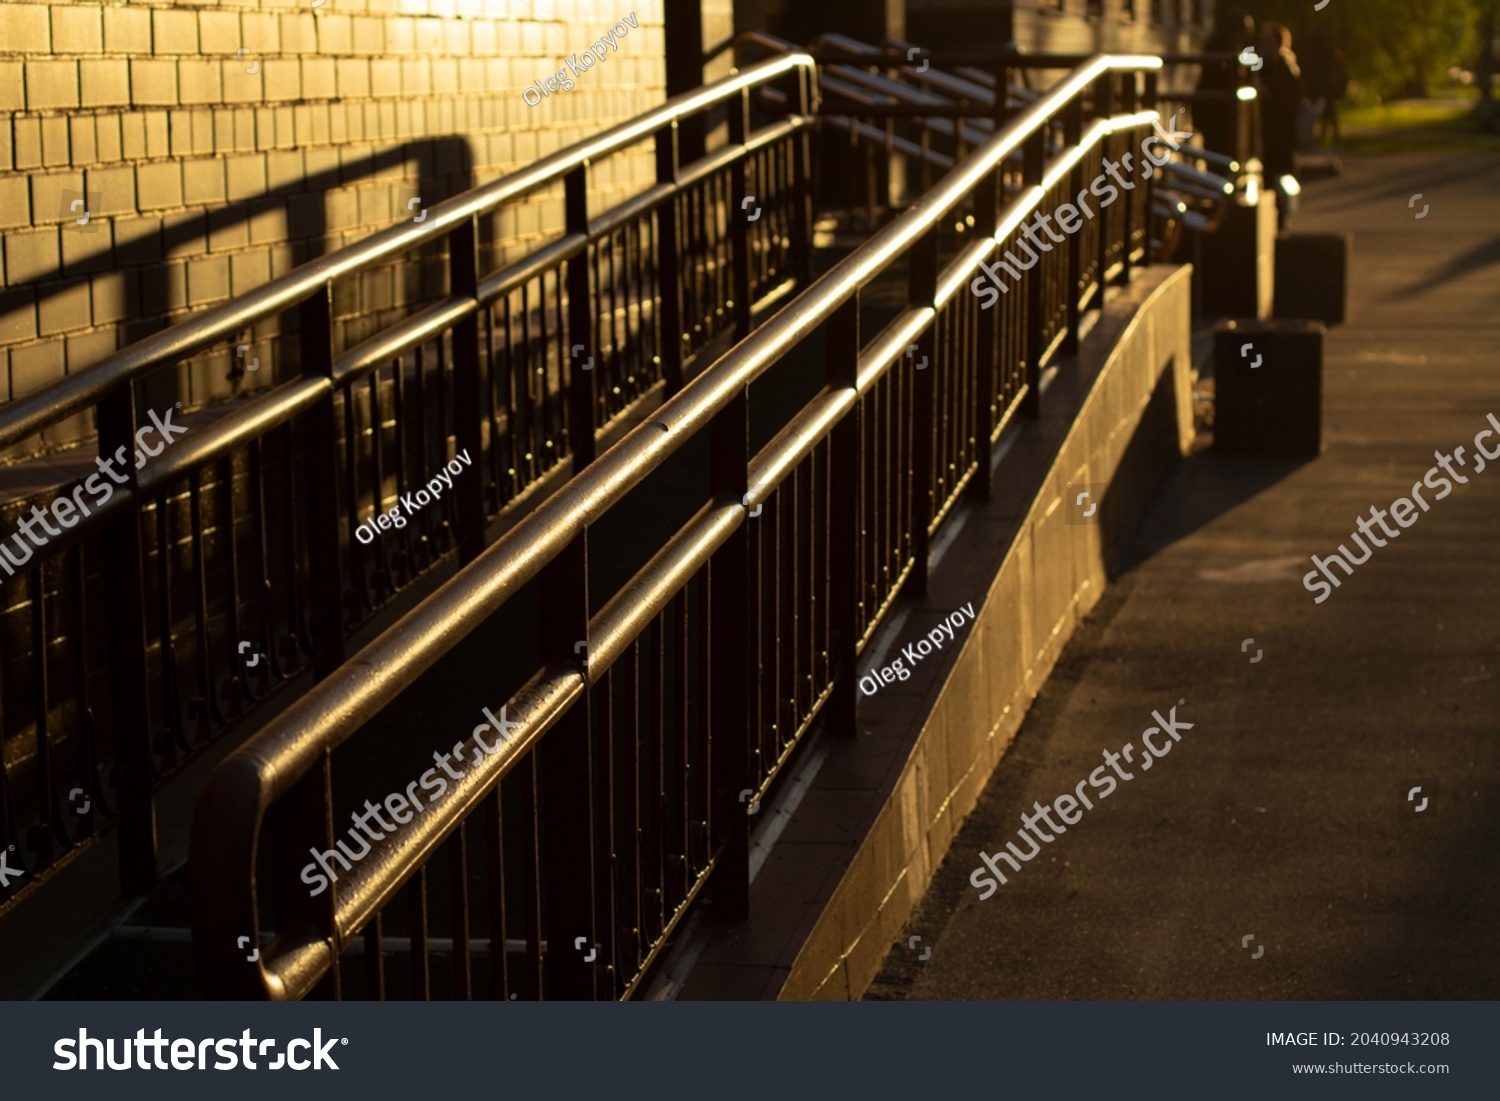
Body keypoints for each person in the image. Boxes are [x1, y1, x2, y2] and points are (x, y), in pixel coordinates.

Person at [1196, 7, 1257, 159]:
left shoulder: (1223, 45)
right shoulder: (1222, 47)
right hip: (1216, 112)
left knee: (1218, 152)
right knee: (1218, 151)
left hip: (1215, 111)